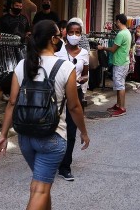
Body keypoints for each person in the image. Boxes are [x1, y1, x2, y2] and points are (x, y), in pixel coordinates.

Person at [0, 20, 90, 210]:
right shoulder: (65, 67)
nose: (62, 38)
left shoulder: (22, 65)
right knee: (40, 189)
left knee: (40, 185)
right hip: (52, 137)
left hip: (26, 138)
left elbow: (12, 103)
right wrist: (84, 133)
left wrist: (3, 135)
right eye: (59, 35)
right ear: (54, 39)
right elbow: (74, 107)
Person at [55, 19, 90, 182]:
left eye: (77, 33)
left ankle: (65, 166)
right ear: (65, 34)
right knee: (54, 128)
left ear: (81, 35)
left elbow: (86, 73)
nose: (74, 35)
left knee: (71, 131)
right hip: (58, 94)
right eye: (71, 32)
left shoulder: (84, 53)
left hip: (76, 94)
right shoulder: (58, 52)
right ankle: (53, 160)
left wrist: (83, 79)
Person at [97, 14, 131, 117]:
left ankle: (122, 108)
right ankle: (118, 105)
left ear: (119, 21)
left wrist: (103, 48)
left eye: (116, 21)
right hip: (124, 62)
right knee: (118, 84)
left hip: (120, 63)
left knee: (120, 85)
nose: (115, 23)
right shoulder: (127, 32)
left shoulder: (121, 34)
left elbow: (113, 49)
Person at [0, 0, 30, 99]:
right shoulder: (4, 19)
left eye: (20, 6)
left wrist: (27, 38)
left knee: (20, 70)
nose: (19, 8)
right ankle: (6, 92)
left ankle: (19, 91)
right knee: (8, 70)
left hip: (21, 48)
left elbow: (28, 32)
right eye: (17, 6)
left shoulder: (24, 19)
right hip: (6, 49)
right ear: (12, 6)